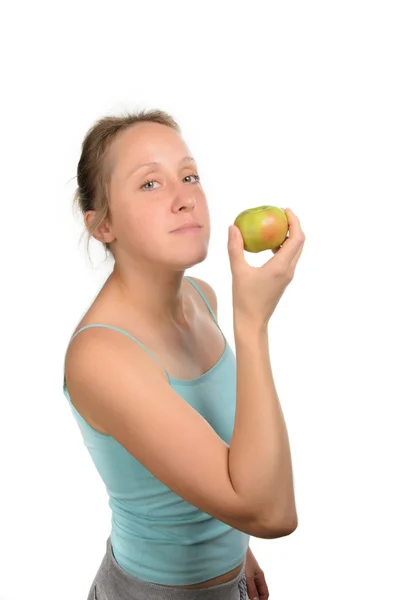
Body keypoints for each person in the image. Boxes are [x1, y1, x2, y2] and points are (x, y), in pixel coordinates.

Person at [63, 109, 305, 600]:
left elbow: (206, 458)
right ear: (102, 225)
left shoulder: (201, 297)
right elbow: (272, 515)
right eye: (150, 184)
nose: (184, 198)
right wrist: (252, 324)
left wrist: (239, 552)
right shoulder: (102, 358)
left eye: (189, 176)